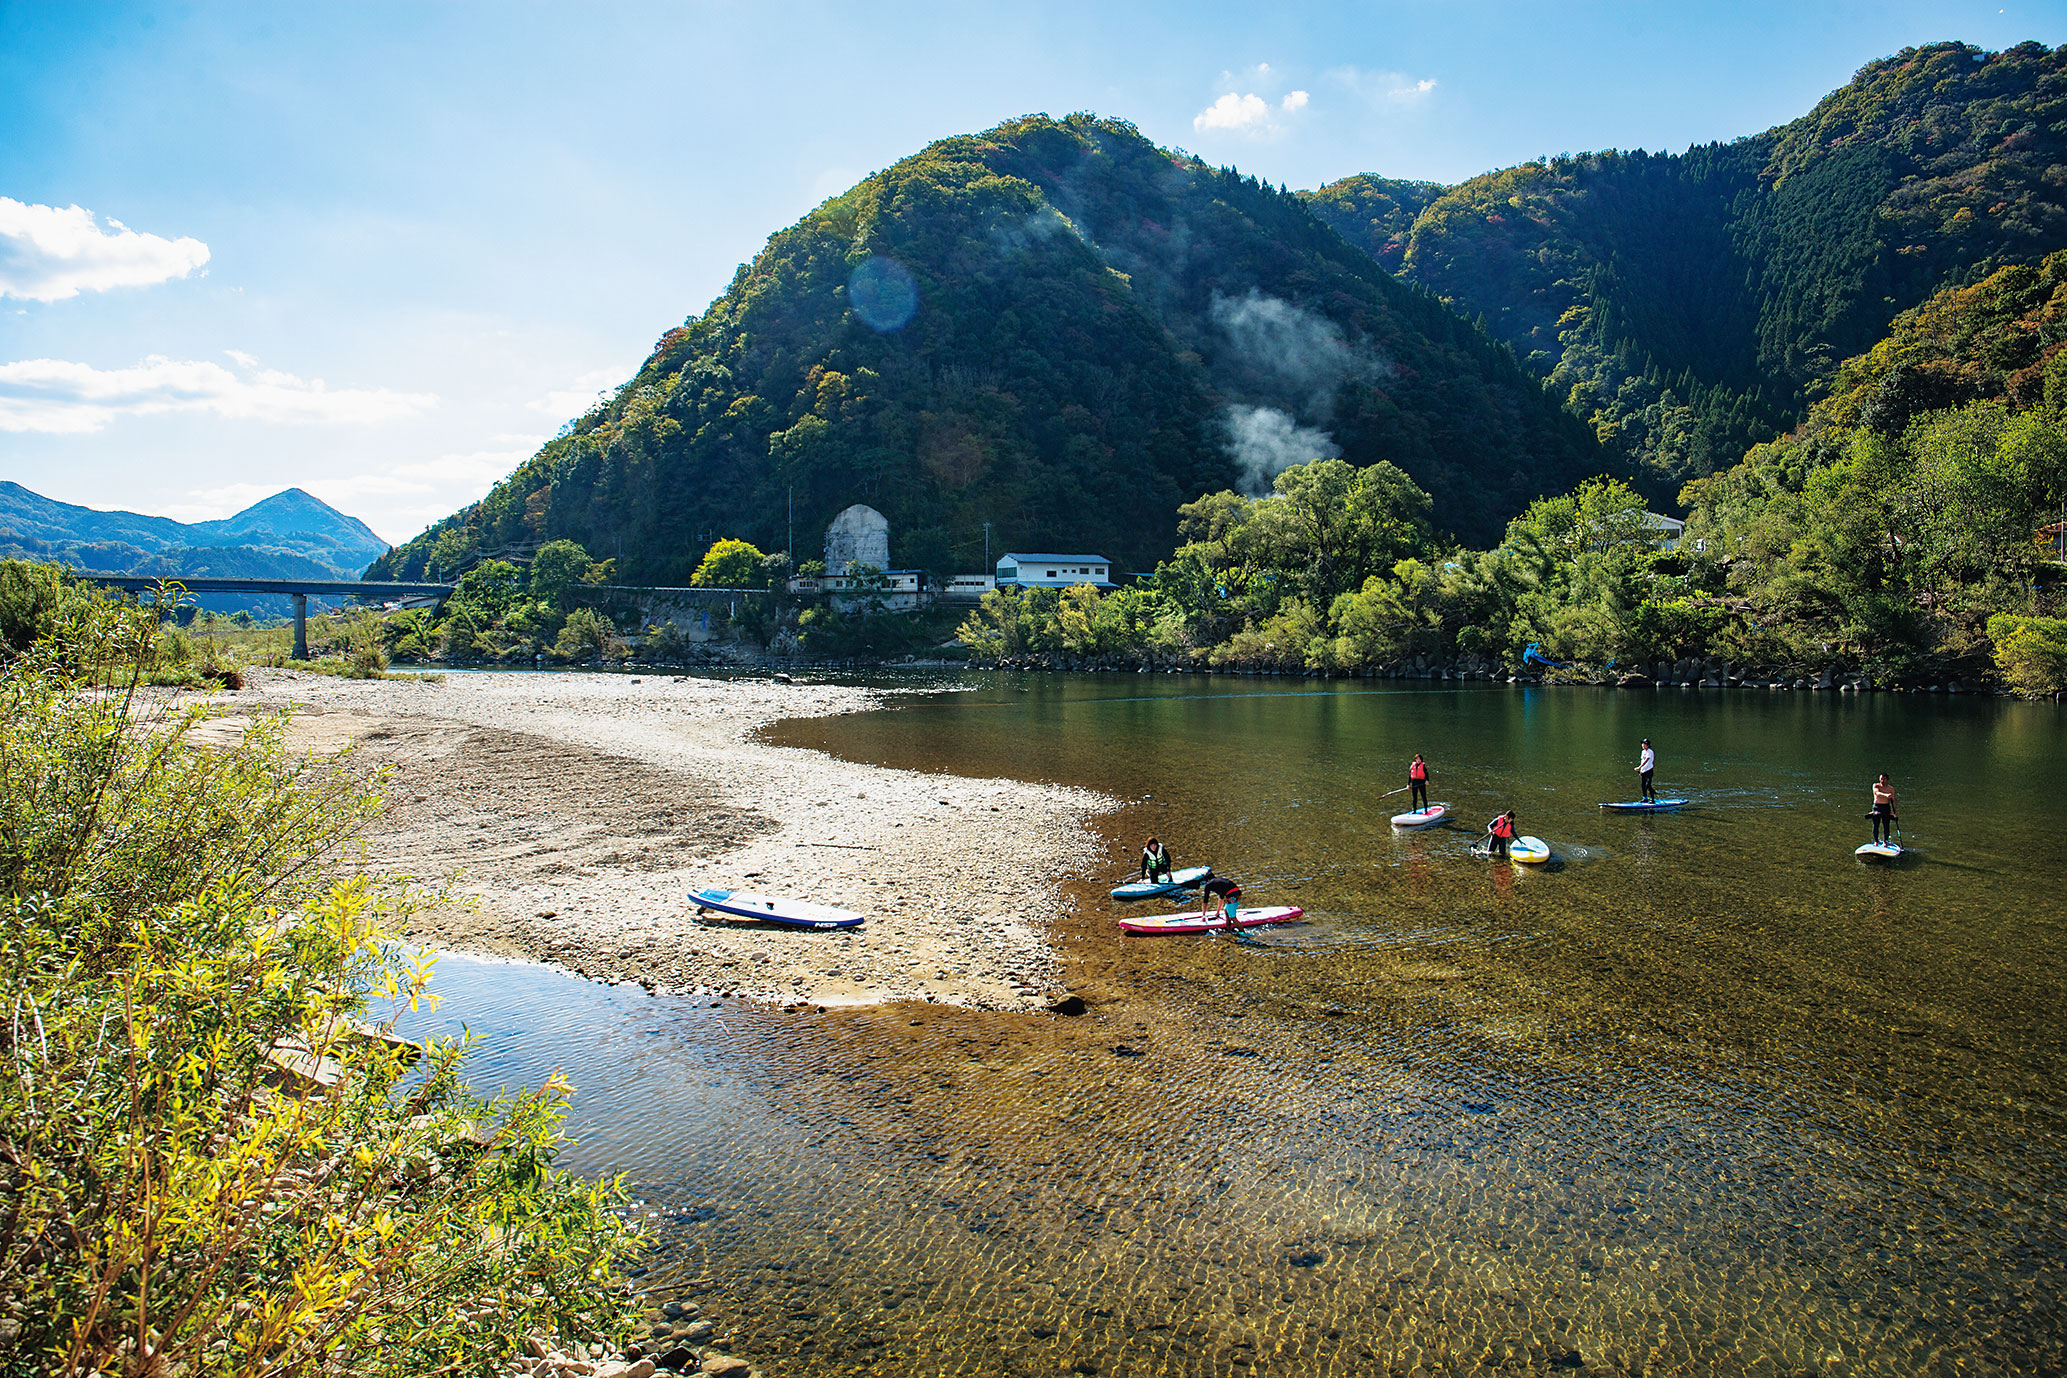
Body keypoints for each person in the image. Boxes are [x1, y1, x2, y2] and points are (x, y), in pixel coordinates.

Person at [1869, 774, 1898, 845]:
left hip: (1886, 807)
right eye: (1881, 779)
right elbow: (1877, 793)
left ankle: (1885, 841)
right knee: (1876, 824)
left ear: (1887, 780)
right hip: (1877, 806)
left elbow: (1894, 800)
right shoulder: (1876, 785)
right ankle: (1876, 841)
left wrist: (1895, 812)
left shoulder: (1891, 789)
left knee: (1886, 824)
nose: (1882, 781)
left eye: (1884, 779)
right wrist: (1886, 795)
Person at [1636, 737, 1656, 803]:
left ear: (1647, 745)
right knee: (1643, 785)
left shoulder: (1650, 751)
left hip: (1649, 770)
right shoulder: (1642, 752)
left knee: (1648, 785)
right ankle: (1645, 798)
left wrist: (1639, 767)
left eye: (1644, 744)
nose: (1643, 745)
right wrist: (1641, 770)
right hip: (1644, 770)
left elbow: (1646, 760)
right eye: (1642, 744)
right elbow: (1642, 761)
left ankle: (1652, 799)